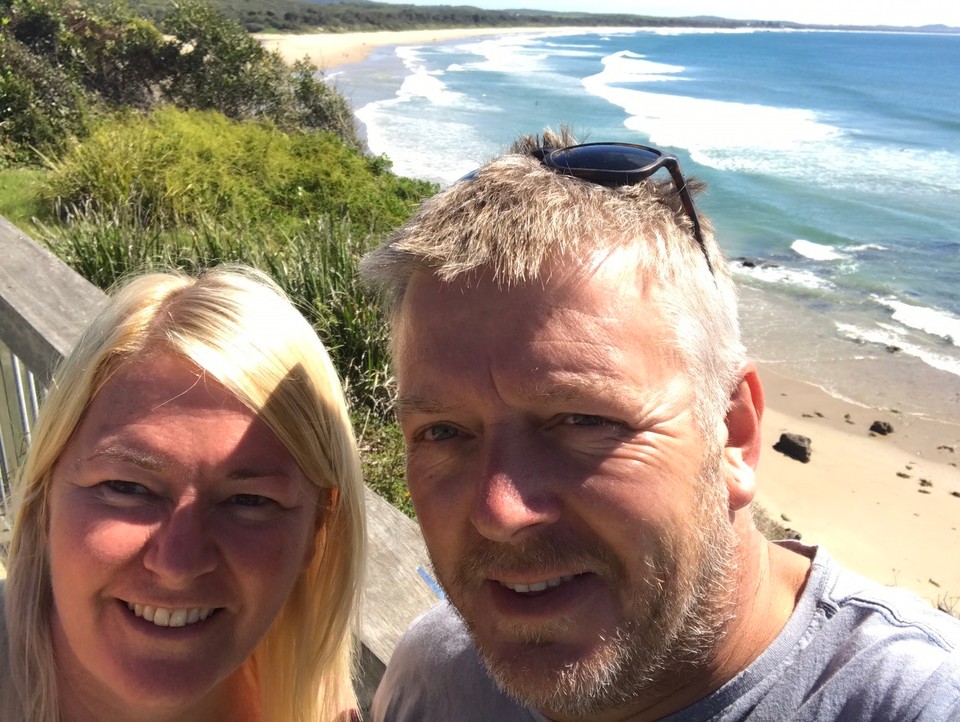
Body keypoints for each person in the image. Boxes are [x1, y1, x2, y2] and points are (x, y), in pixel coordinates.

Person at [361, 128, 960, 721]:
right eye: (442, 432)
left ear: (734, 435)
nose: (500, 512)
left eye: (581, 419)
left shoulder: (919, 700)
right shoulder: (438, 680)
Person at [0, 265, 366, 722]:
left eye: (249, 501)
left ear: (317, 529)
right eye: (126, 487)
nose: (178, 564)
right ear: (46, 493)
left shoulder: (320, 709)